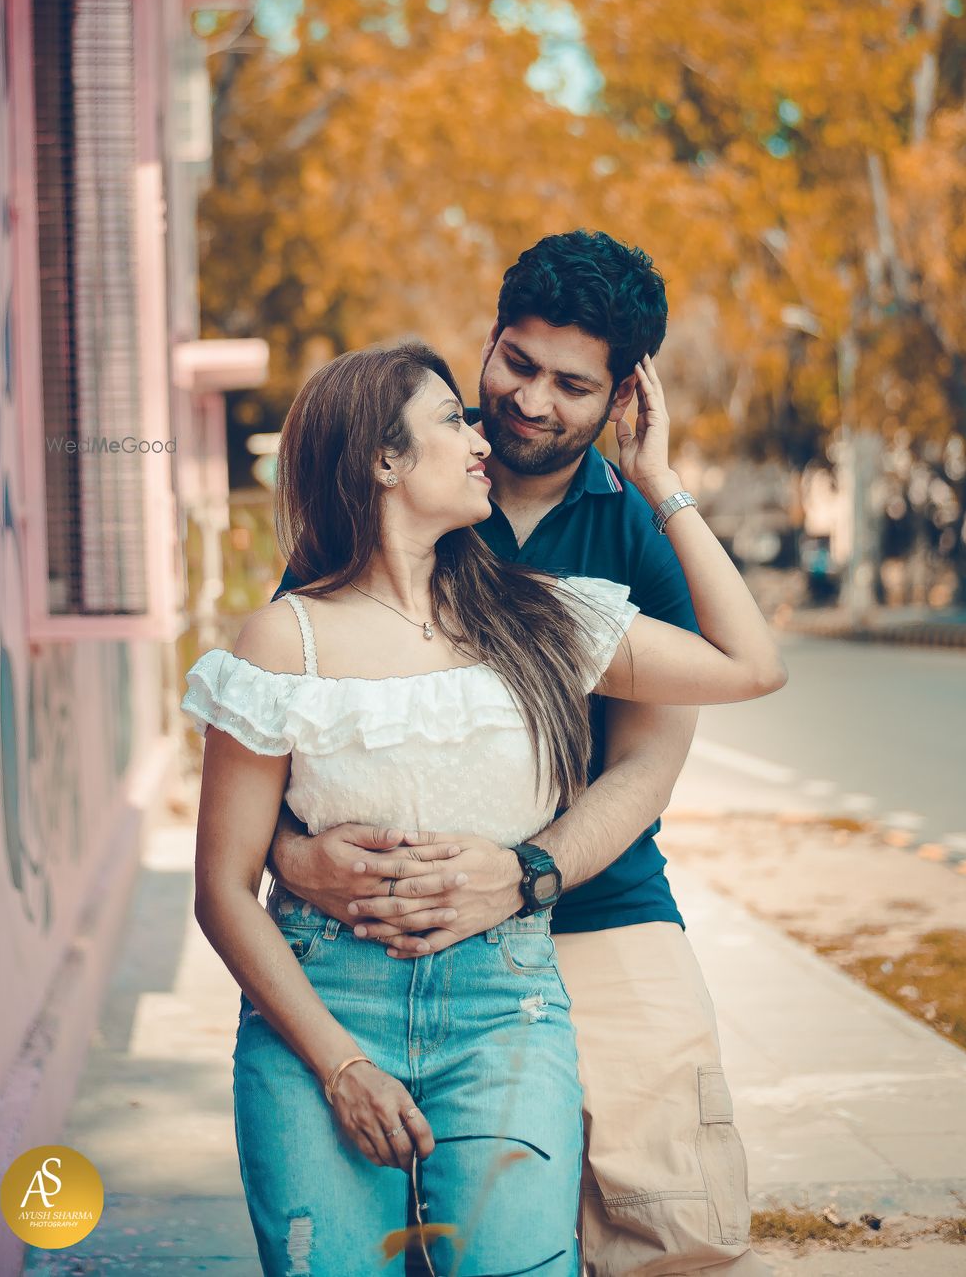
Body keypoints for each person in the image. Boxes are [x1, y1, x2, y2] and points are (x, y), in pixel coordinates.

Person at [184, 330, 786, 1277]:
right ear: (384, 461)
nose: (481, 440)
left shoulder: (541, 613)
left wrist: (660, 483)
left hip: (506, 1007)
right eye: (452, 422)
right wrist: (341, 1064)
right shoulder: (283, 639)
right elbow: (222, 888)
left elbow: (751, 665)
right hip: (321, 1005)